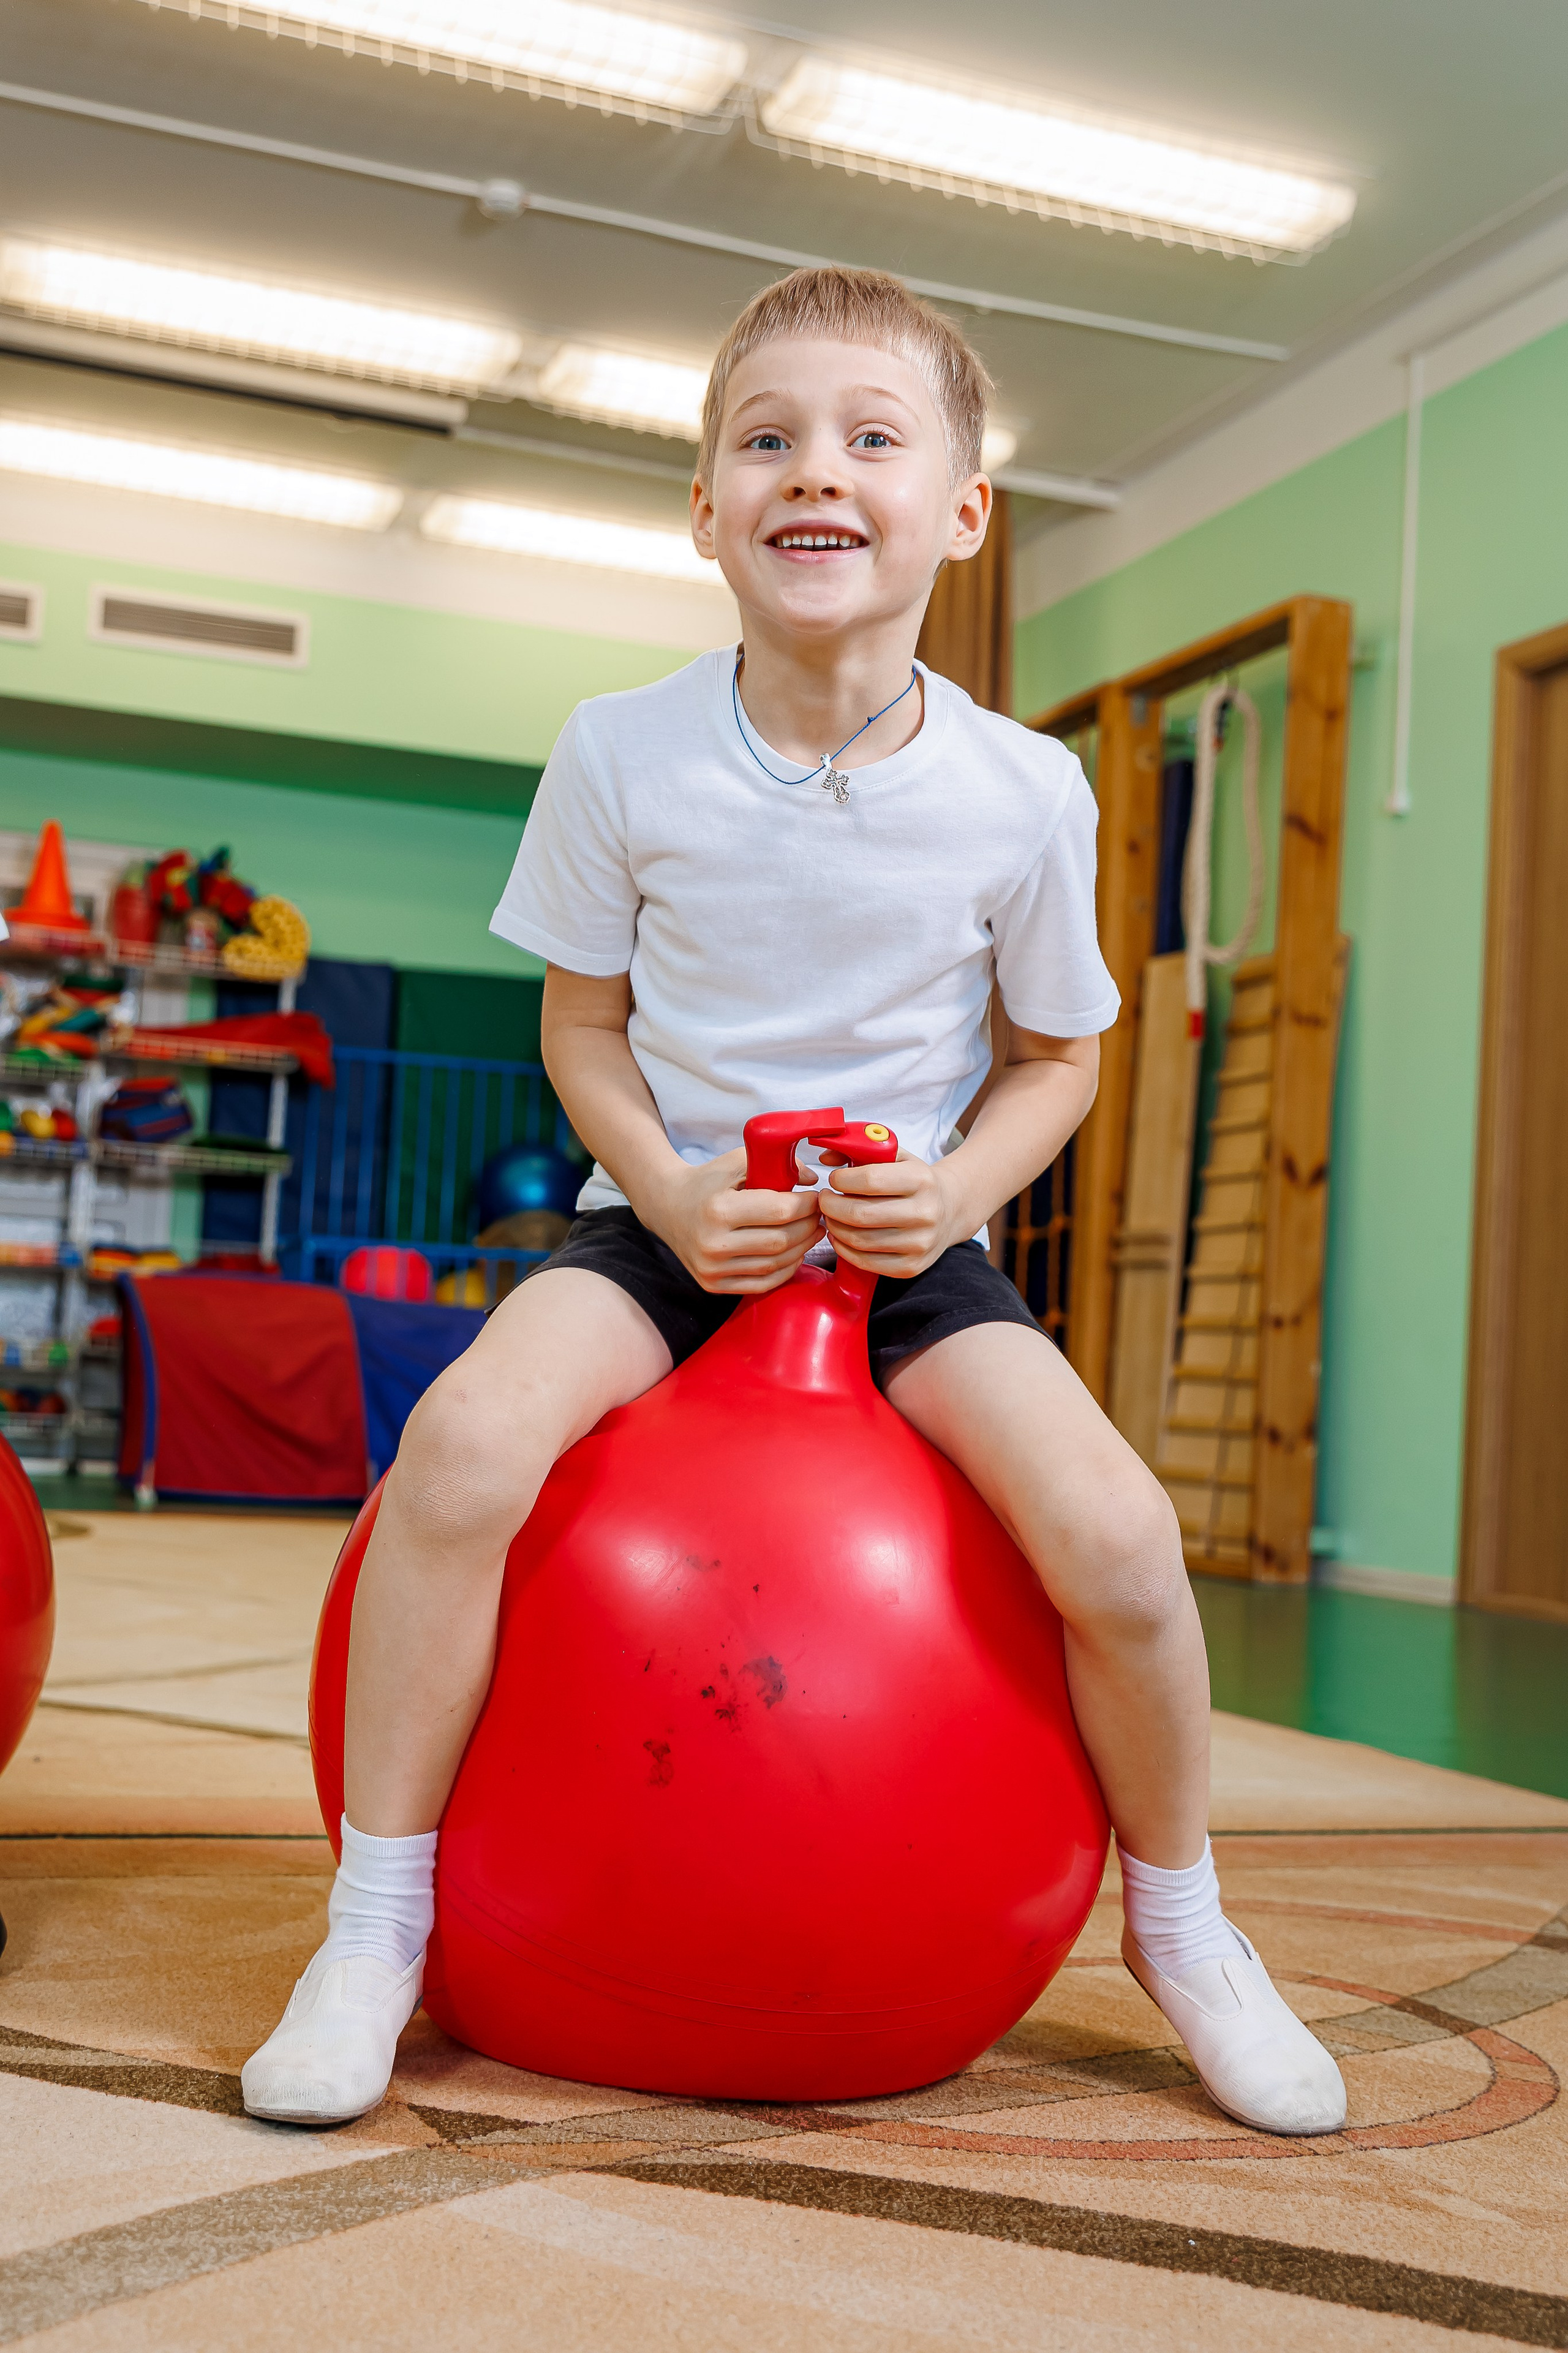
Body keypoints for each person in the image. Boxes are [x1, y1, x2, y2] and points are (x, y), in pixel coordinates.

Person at [243, 267, 1345, 2139]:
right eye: (766, 439)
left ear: (963, 514)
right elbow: (581, 1025)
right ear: (704, 505)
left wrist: (945, 1198)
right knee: (453, 1455)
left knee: (1127, 1543)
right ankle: (378, 1922)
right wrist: (668, 1187)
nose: (814, 472)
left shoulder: (1029, 789)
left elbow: (1058, 1060)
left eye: (871, 438)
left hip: (912, 1265)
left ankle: (1184, 1922)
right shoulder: (620, 748)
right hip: (661, 1237)